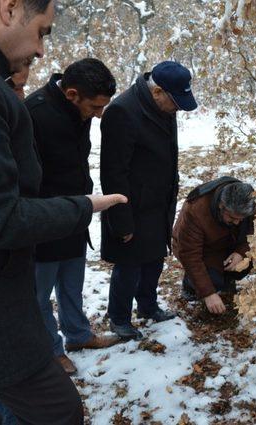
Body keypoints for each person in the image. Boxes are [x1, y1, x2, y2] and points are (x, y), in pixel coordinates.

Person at [0, 0, 126, 423]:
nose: (42, 50)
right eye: (43, 31)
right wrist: (82, 207)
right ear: (10, 9)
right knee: (59, 411)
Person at [25, 58, 119, 375]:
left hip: (76, 215)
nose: (100, 114)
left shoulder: (81, 110)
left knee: (71, 285)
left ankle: (78, 335)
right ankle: (51, 350)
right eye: (95, 107)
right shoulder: (33, 113)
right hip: (44, 220)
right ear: (72, 94)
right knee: (39, 295)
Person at [101, 61, 197, 340]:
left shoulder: (164, 105)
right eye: (175, 103)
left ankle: (147, 305)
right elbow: (113, 172)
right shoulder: (122, 112)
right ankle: (119, 317)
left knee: (154, 258)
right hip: (131, 204)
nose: (178, 109)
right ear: (157, 92)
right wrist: (121, 220)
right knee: (129, 264)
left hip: (158, 200)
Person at [172, 178, 256, 314]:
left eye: (240, 219)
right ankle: (190, 285)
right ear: (220, 206)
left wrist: (241, 253)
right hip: (199, 248)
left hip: (229, 243)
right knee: (212, 280)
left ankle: (227, 280)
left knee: (249, 260)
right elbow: (189, 254)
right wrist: (208, 293)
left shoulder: (248, 202)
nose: (236, 223)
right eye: (232, 218)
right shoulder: (196, 210)